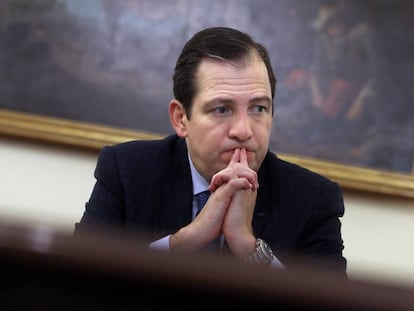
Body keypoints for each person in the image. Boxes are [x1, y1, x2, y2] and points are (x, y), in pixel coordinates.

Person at [75, 26, 346, 275]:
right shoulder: (128, 171)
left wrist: (249, 248)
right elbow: (74, 282)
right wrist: (185, 241)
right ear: (181, 118)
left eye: (258, 108)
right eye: (222, 109)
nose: (243, 130)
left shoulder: (313, 199)